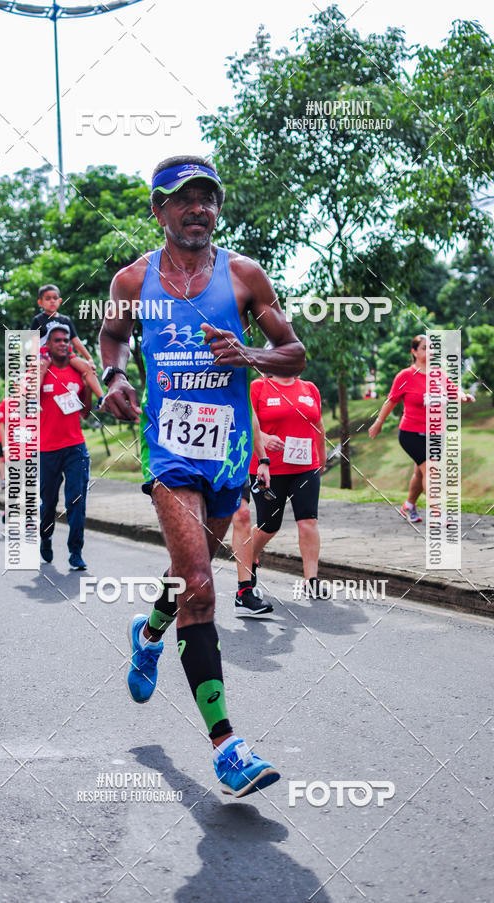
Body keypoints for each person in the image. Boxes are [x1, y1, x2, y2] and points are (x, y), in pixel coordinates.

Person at [100, 154, 305, 797]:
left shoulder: (244, 276)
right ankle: (227, 747)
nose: (200, 209)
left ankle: (149, 630)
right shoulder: (133, 282)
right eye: (185, 199)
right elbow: (112, 339)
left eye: (208, 198)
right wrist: (113, 376)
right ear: (159, 210)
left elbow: (294, 354)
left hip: (228, 450)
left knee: (190, 580)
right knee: (199, 583)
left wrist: (250, 353)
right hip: (167, 448)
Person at [368, 334, 474, 522]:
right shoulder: (405, 375)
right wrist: (378, 423)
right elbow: (391, 401)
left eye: (433, 347)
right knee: (431, 470)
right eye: (425, 347)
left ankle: (409, 505)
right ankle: (437, 514)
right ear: (414, 351)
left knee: (420, 472)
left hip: (435, 433)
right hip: (411, 433)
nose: (431, 351)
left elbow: (453, 391)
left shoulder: (439, 374)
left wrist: (464, 396)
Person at [248, 373, 327, 598]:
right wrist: (262, 437)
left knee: (308, 521)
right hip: (268, 469)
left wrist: (321, 458)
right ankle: (248, 558)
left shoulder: (310, 388)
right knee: (269, 525)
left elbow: (318, 424)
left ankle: (311, 580)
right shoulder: (258, 387)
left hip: (305, 467)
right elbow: (245, 421)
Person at [39, 322, 92, 570]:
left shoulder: (76, 373)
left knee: (77, 500)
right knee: (48, 502)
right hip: (47, 449)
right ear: (48, 345)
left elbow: (86, 414)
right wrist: (40, 372)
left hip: (75, 447)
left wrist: (88, 390)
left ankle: (75, 552)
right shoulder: (40, 372)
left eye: (65, 340)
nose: (62, 343)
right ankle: (46, 536)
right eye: (57, 340)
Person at [230, 408, 273, 616]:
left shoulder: (239, 375)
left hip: (232, 456)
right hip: (194, 458)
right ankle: (191, 583)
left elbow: (250, 414)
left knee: (243, 515)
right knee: (200, 523)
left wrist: (263, 459)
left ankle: (245, 592)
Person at [32, 284, 104, 402]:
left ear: (60, 301)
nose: (52, 301)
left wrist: (89, 358)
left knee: (86, 367)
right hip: (46, 353)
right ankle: (33, 399)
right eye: (48, 298)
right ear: (40, 302)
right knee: (40, 368)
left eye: (55, 298)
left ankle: (101, 398)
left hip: (67, 353)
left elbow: (76, 342)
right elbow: (34, 342)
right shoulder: (38, 320)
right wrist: (33, 360)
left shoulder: (65, 320)